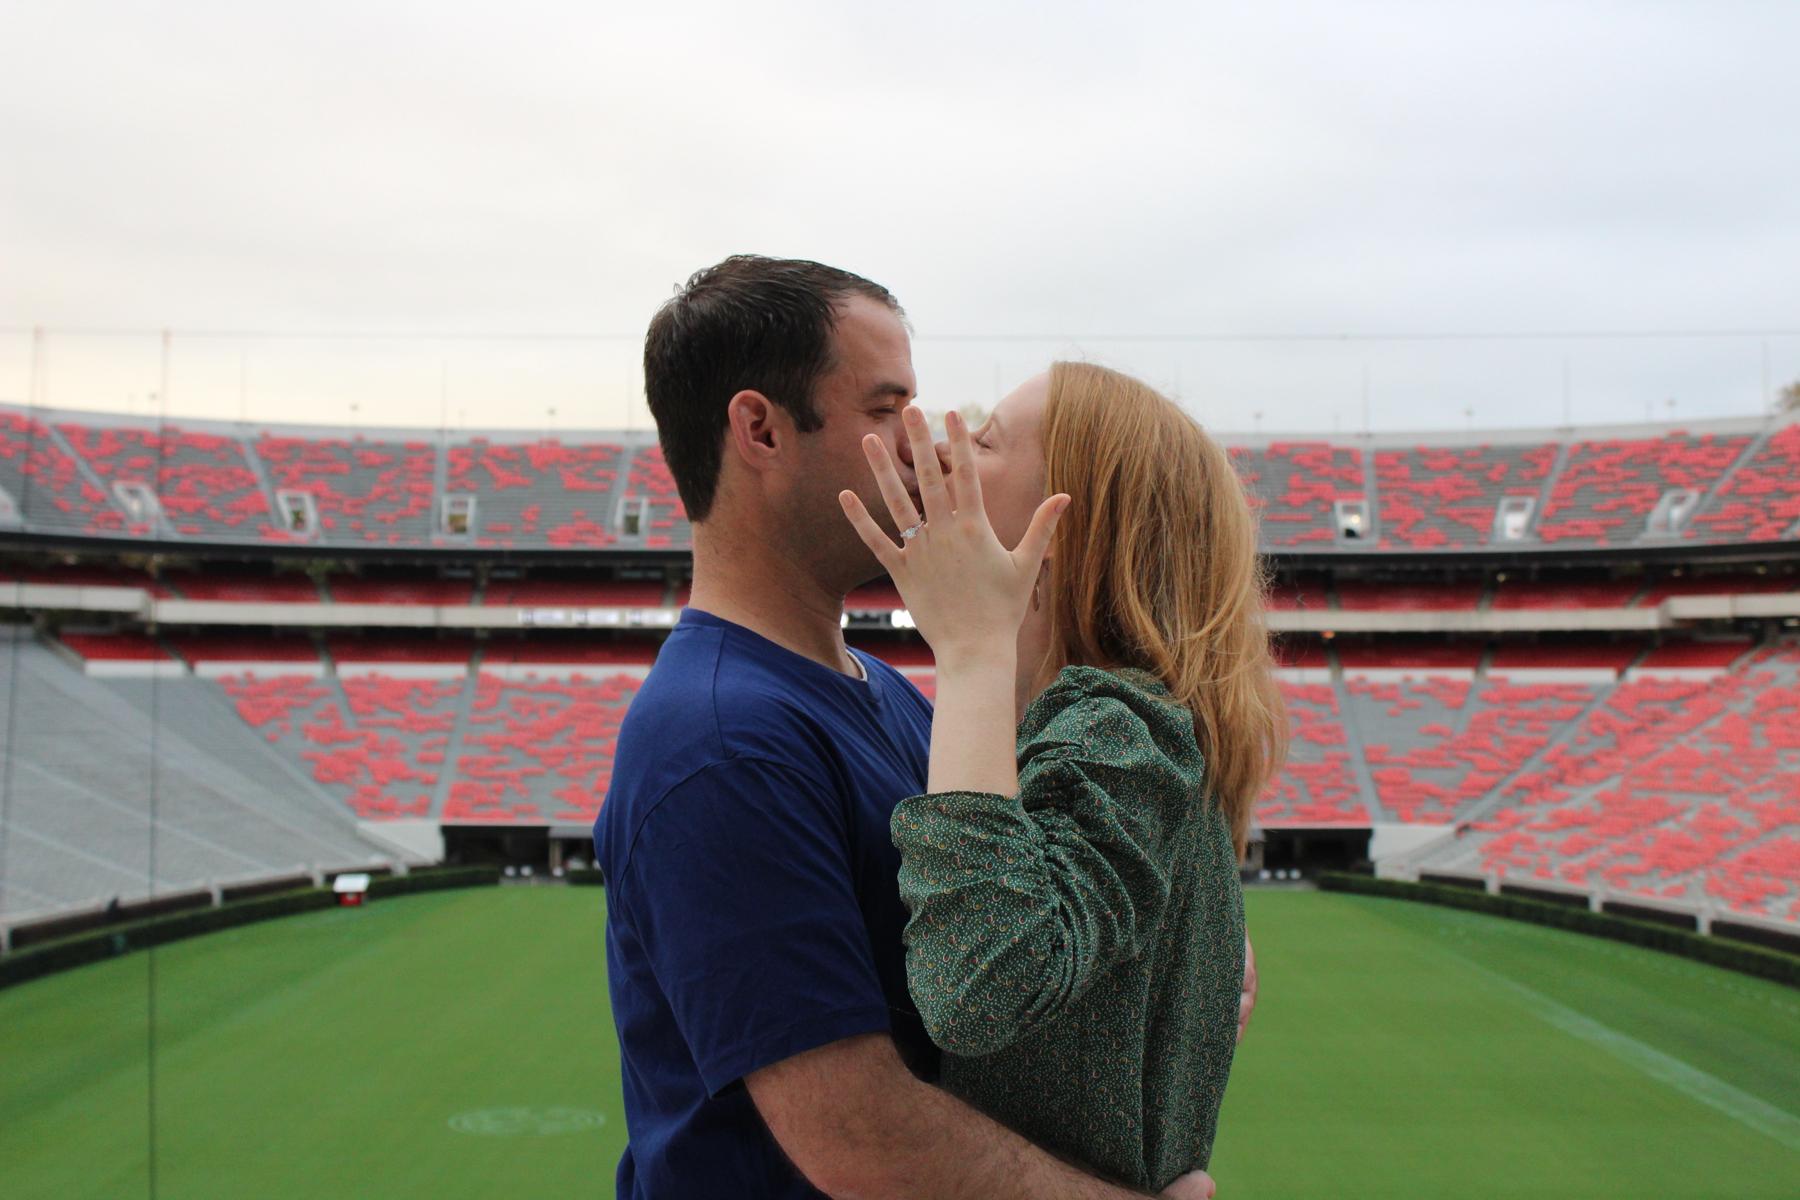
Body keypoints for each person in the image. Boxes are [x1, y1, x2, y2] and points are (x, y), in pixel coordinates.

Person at [593, 256, 1224, 1199]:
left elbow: (1027, 899)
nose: (924, 442)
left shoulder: (886, 693)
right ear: (760, 429)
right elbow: (864, 1139)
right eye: (887, 409)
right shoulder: (719, 742)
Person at [840, 362, 1287, 1192]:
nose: (943, 456)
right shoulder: (1096, 729)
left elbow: (977, 986)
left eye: (985, 443)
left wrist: (973, 648)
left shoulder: (1115, 719)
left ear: (1070, 527)